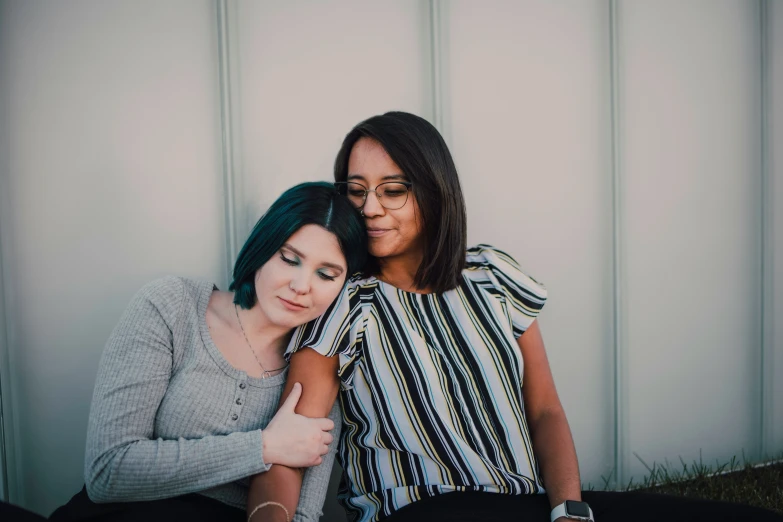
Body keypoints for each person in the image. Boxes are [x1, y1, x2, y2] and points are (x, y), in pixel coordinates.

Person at [247, 112, 783, 522]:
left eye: (393, 191)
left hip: (524, 504)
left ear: (433, 191)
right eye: (356, 191)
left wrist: (568, 510)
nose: (369, 208)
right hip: (424, 510)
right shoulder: (344, 299)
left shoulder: (492, 275)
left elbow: (545, 409)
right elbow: (290, 449)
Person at [50, 182, 366, 522]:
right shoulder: (172, 307)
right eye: (289, 259)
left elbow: (303, 514)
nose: (301, 286)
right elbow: (108, 471)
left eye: (325, 274)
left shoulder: (317, 371)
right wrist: (263, 447)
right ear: (263, 247)